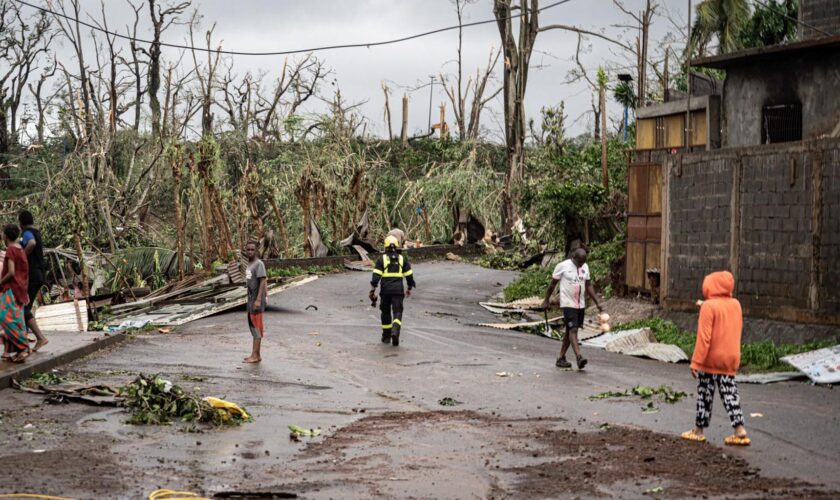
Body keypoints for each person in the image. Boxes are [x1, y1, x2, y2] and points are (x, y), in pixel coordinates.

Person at [682, 271, 750, 446]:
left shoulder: (708, 307)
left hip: (711, 359)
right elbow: (724, 315)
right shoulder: (736, 305)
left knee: (705, 394)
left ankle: (699, 431)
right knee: (730, 393)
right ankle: (740, 429)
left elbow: (704, 338)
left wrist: (696, 361)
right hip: (731, 357)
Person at [540, 247, 603, 370]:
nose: (581, 265)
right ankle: (579, 357)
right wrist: (546, 299)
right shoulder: (563, 266)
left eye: (583, 262)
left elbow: (588, 285)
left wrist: (597, 302)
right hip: (568, 303)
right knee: (573, 329)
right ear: (574, 257)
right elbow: (553, 284)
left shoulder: (585, 267)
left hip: (581, 304)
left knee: (570, 331)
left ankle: (561, 358)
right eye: (579, 262)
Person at [369, 235, 415, 347]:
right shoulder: (402, 259)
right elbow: (409, 275)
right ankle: (395, 330)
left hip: (385, 291)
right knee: (397, 312)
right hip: (398, 291)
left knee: (385, 312)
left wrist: (372, 291)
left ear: (385, 247)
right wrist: (409, 287)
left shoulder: (381, 259)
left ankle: (386, 336)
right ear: (397, 246)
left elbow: (375, 277)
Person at [1, 224, 31, 363]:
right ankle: (20, 351)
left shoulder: (11, 250)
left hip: (11, 289)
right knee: (18, 319)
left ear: (5, 236)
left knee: (5, 317)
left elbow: (11, 272)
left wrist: (0, 282)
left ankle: (23, 346)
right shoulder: (21, 249)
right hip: (20, 288)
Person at [19, 210, 48, 352]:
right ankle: (24, 340)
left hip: (33, 275)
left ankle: (40, 338)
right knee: (27, 307)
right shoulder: (37, 231)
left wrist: (21, 257)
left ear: (21, 224)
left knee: (22, 307)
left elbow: (31, 243)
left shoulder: (27, 233)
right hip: (40, 273)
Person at [243, 241, 267, 364]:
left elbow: (263, 281)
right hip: (251, 299)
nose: (250, 252)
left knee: (257, 328)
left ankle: (255, 356)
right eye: (248, 250)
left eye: (252, 249)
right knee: (252, 326)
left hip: (256, 300)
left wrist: (259, 299)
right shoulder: (249, 264)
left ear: (256, 250)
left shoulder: (259, 264)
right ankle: (256, 354)